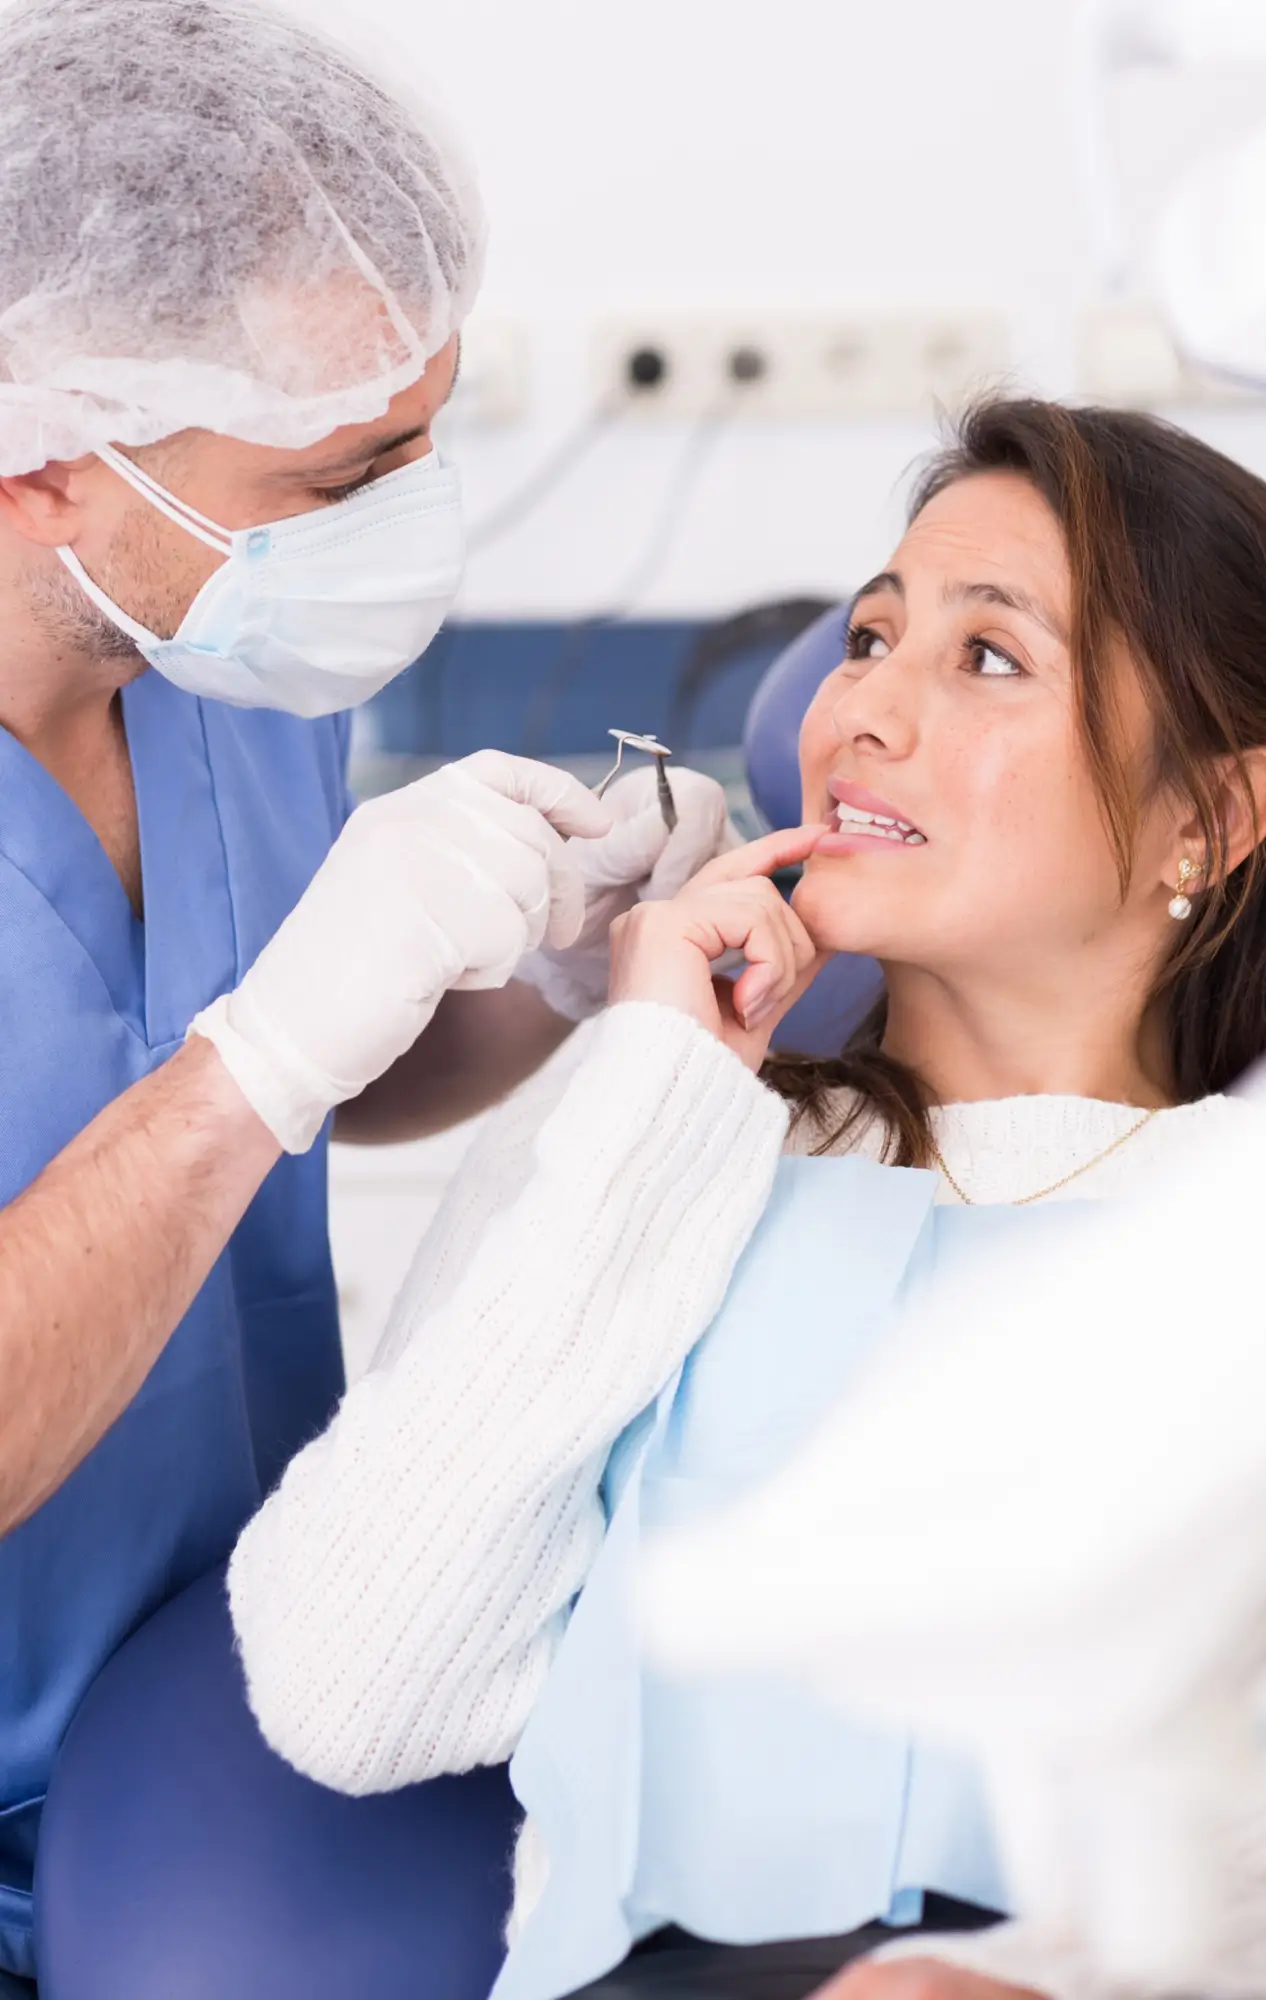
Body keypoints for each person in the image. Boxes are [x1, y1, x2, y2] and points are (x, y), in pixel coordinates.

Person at [212, 399, 1266, 2000]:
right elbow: (351, 1690)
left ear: (1211, 813)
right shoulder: (652, 1136)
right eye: (869, 636)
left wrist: (1076, 1976)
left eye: (989, 658)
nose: (864, 712)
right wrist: (652, 1078)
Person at [0, 1, 732, 1987]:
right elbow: (241, 1071)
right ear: (51, 463)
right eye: (351, 470)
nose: (414, 509)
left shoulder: (224, 650)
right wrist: (263, 1047)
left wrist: (549, 984)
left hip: (240, 1733)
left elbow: (311, 1089)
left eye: (429, 430)